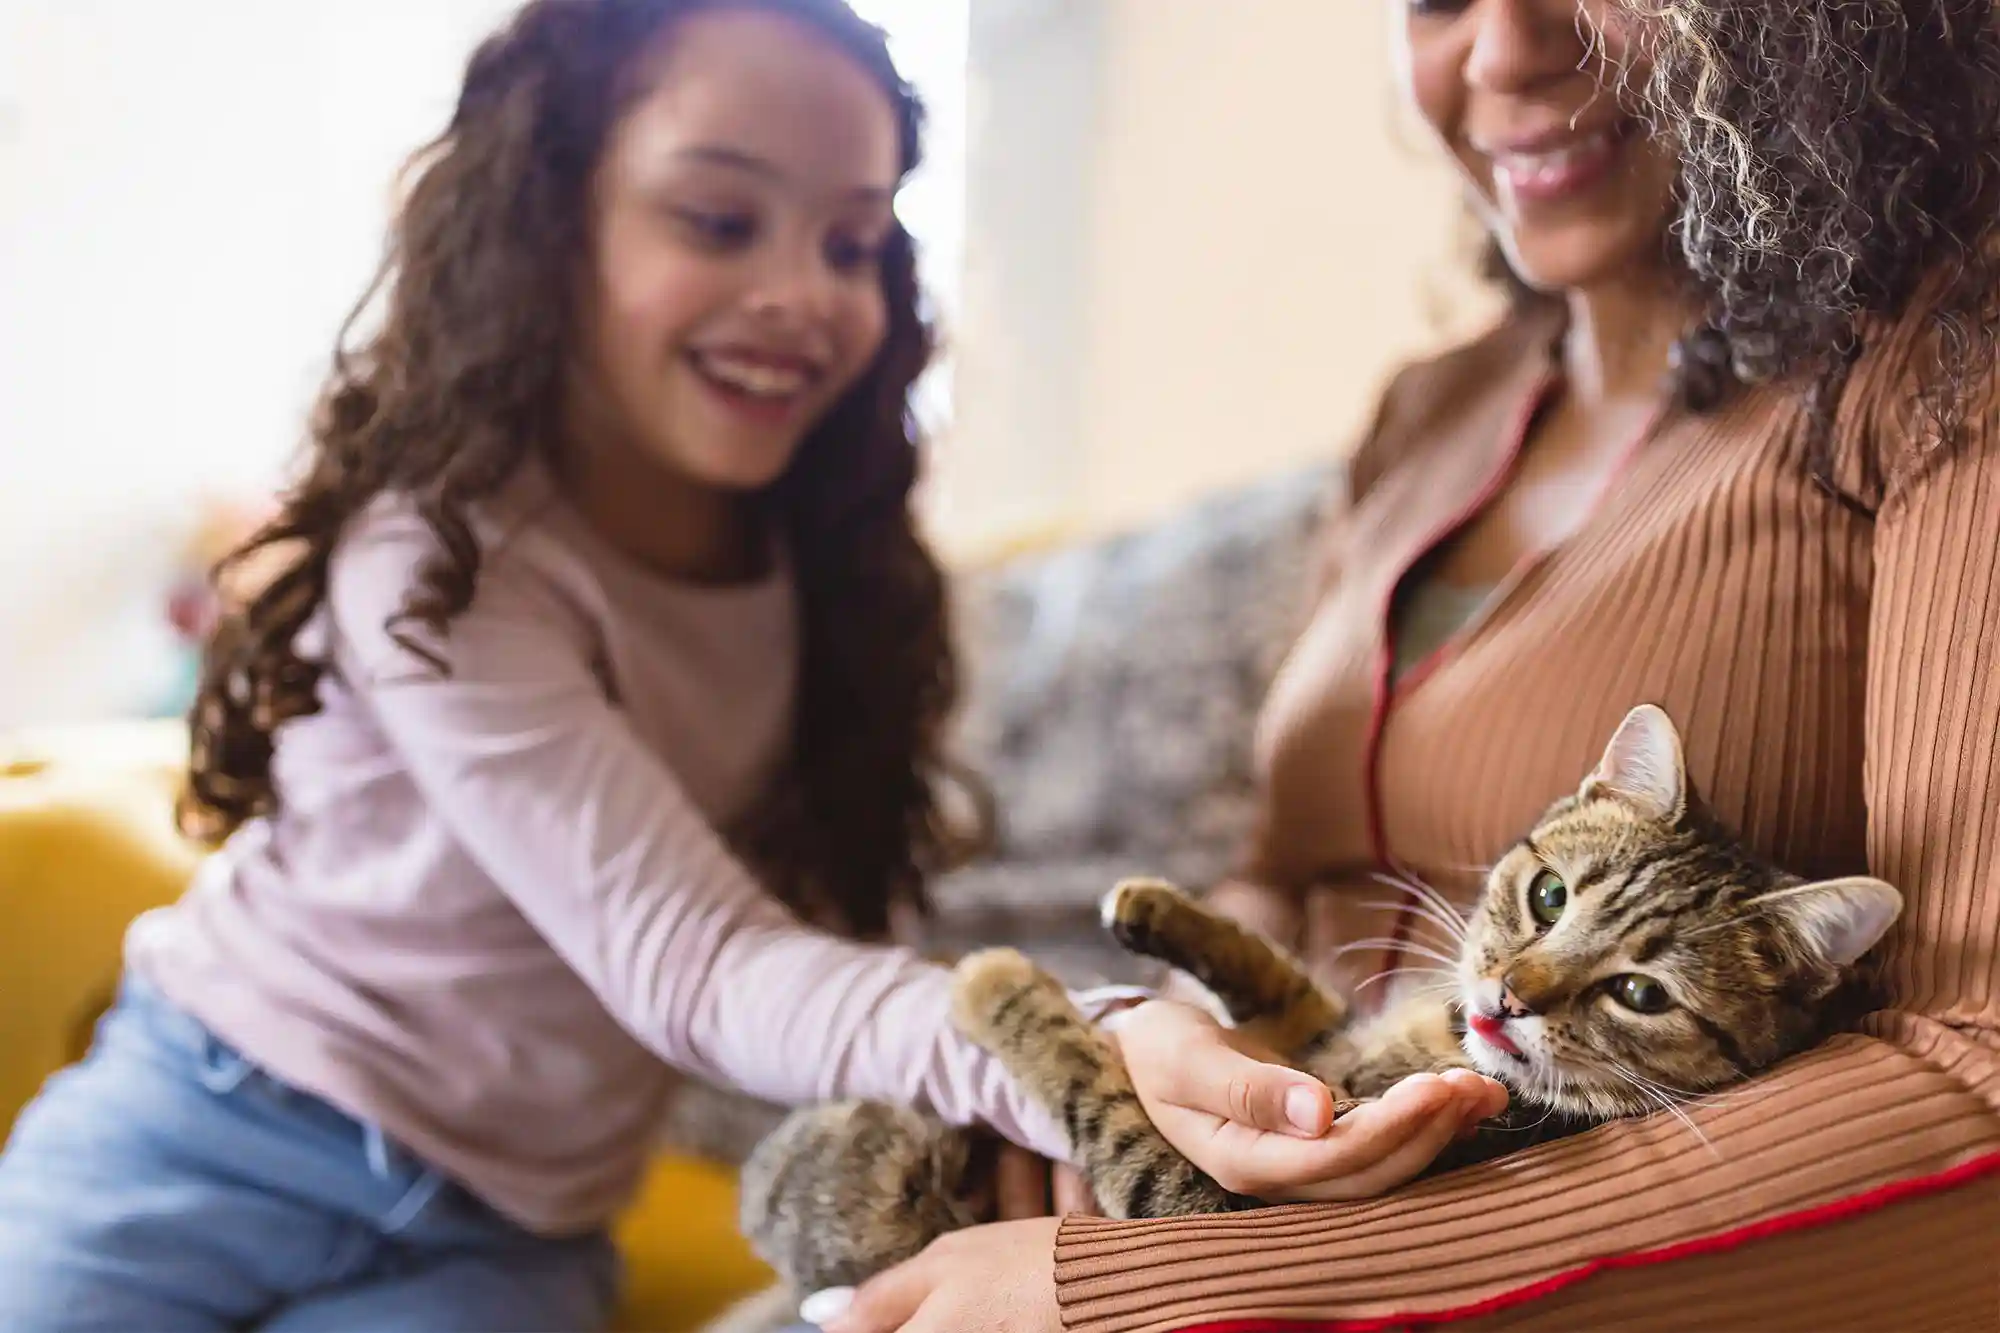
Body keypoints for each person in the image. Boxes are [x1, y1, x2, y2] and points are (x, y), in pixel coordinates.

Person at [0, 2, 1510, 1329]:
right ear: (550, 226)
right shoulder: (441, 556)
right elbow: (697, 961)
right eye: (719, 221)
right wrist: (1074, 1042)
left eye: (851, 240)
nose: (803, 290)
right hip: (212, 1125)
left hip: (511, 1231)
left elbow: (816, 947)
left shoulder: (827, 575)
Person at [821, 2, 2000, 1329]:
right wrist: (1179, 1065)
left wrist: (1165, 1292)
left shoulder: (1949, 365)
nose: (1499, 51)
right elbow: (1280, 872)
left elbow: (1978, 1069)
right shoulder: (1434, 408)